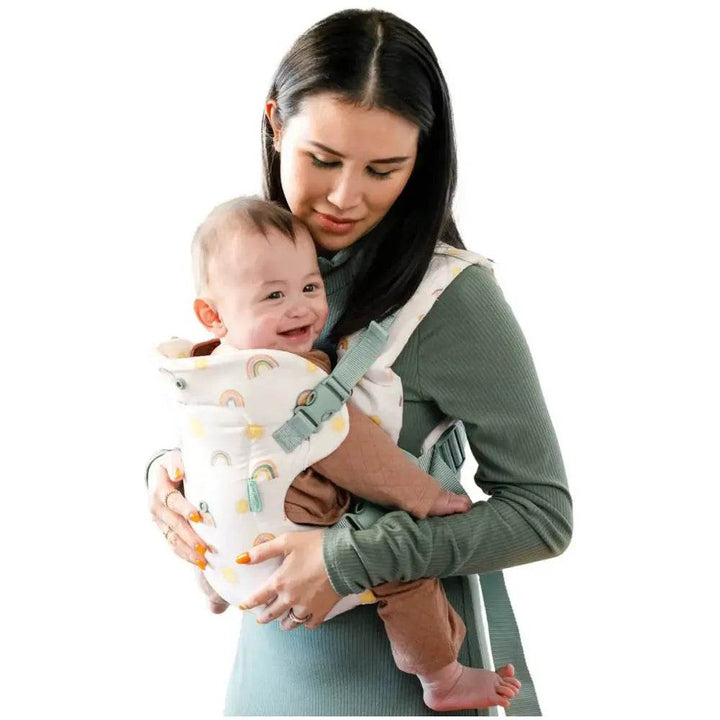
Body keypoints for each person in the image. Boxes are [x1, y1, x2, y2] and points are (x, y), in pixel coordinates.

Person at [147, 9, 572, 716]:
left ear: (421, 158)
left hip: (400, 691)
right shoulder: (254, 264)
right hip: (264, 683)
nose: (346, 197)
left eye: (383, 169)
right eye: (322, 160)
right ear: (275, 125)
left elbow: (542, 516)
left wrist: (350, 557)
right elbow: (244, 415)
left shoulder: (453, 298)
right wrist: (169, 480)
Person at [162, 194, 521, 710]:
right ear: (212, 314)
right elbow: (354, 451)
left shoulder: (202, 367)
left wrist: (165, 472)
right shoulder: (290, 376)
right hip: (291, 543)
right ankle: (442, 676)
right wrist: (428, 497)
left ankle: (215, 588)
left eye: (311, 287)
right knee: (400, 563)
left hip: (230, 564)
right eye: (274, 296)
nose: (301, 307)